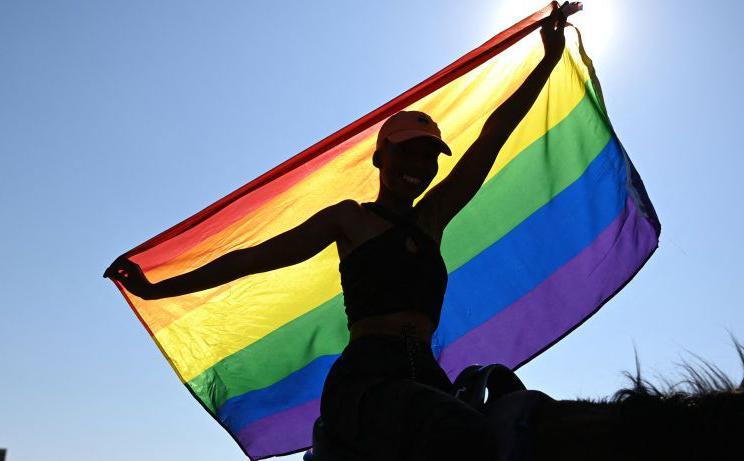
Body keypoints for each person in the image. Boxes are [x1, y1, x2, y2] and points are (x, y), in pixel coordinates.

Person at [106, 6, 568, 460]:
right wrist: (157, 288)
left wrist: (547, 58)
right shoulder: (348, 220)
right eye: (407, 153)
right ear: (379, 158)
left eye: (429, 156)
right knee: (457, 430)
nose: (419, 166)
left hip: (425, 372)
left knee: (516, 426)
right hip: (368, 377)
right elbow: (251, 259)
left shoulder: (433, 218)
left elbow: (494, 135)